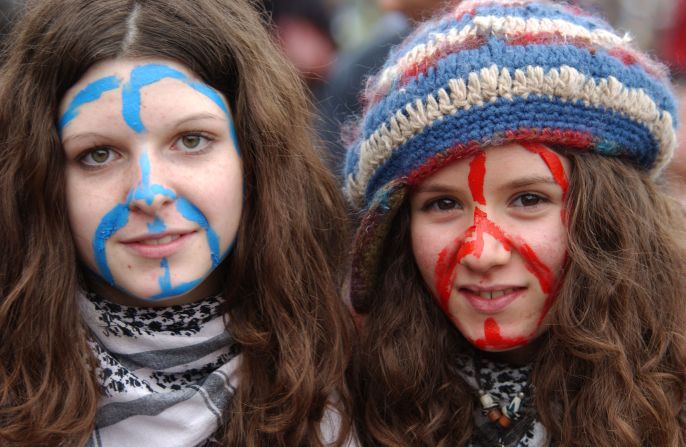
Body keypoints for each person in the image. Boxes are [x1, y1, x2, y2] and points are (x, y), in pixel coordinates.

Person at [0, 0, 354, 446]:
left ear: (254, 157)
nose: (148, 193)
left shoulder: (362, 377)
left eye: (191, 140)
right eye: (98, 154)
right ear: (41, 178)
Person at [344, 0, 686, 445]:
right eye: (443, 204)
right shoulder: (348, 405)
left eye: (529, 199)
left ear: (613, 218)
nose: (482, 253)